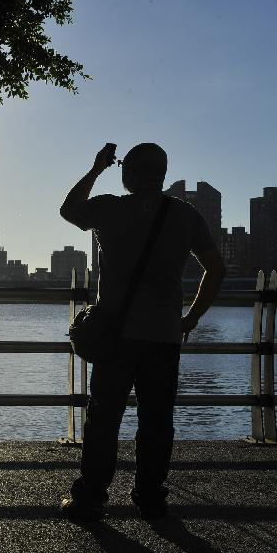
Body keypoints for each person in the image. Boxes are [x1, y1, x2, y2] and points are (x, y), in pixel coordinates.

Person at [58, 142, 226, 521]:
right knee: (156, 420)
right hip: (164, 335)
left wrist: (95, 168)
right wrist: (191, 317)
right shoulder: (185, 215)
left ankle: (91, 496)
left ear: (126, 173)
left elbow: (68, 209)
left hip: (117, 334)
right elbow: (215, 270)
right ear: (162, 174)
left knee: (104, 418)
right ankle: (150, 496)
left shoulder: (111, 209)